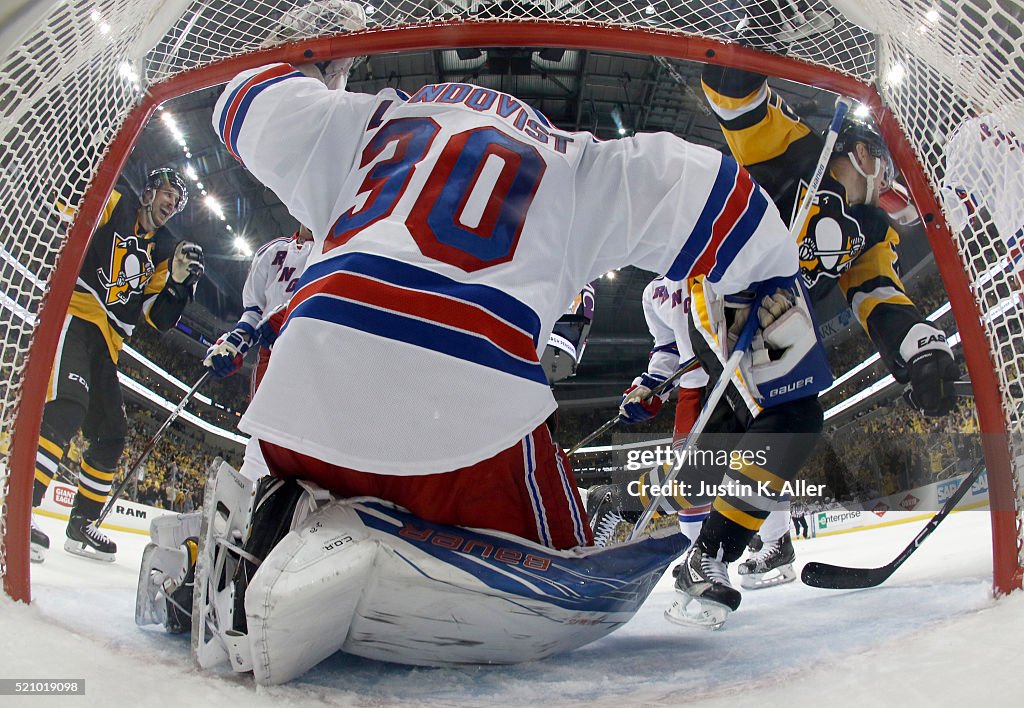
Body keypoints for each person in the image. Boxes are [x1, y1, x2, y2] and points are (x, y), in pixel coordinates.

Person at [31, 168, 203, 562]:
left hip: (108, 344)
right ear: (148, 191)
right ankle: (19, 505)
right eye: (168, 195)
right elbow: (65, 204)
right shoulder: (116, 202)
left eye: (177, 203)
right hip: (73, 317)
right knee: (68, 406)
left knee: (112, 433)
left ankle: (81, 525)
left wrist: (177, 284)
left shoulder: (166, 248)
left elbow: (158, 320)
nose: (171, 205)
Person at [202, 224, 315, 481]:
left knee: (305, 445)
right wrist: (230, 346)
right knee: (261, 440)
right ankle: (248, 502)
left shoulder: (335, 250)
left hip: (314, 357)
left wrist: (290, 316)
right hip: (273, 357)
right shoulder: (273, 251)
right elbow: (253, 314)